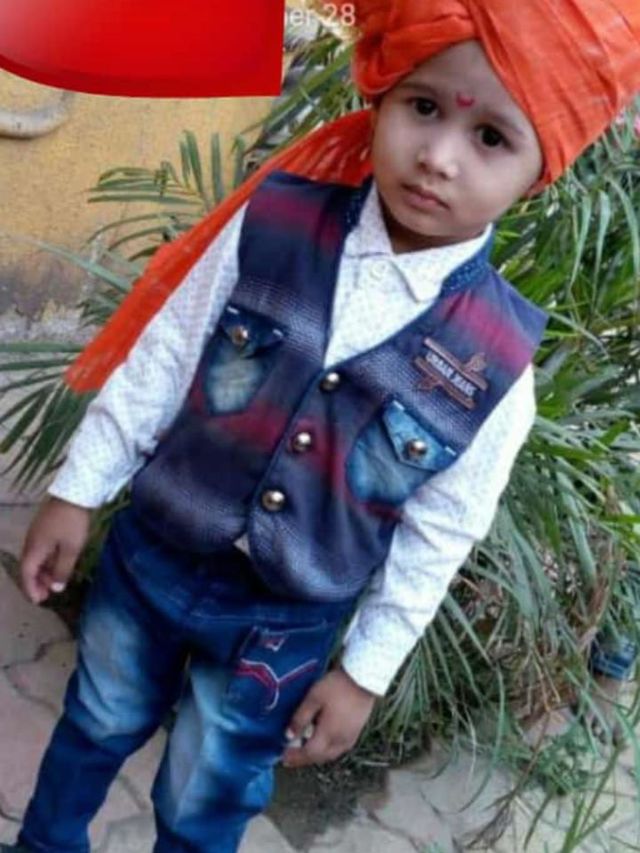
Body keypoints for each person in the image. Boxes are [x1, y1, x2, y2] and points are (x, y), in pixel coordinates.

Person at [5, 1, 640, 851]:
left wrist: (364, 673)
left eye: (491, 137)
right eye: (423, 107)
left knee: (206, 799)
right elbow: (167, 355)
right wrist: (78, 489)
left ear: (540, 171)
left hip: (281, 629)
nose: (439, 157)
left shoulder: (497, 366)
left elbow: (440, 532)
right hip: (153, 555)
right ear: (381, 94)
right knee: (95, 718)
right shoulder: (272, 221)